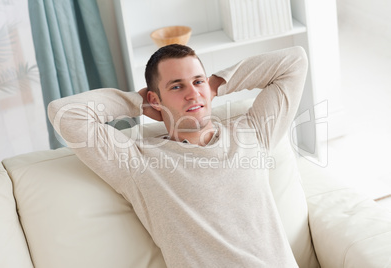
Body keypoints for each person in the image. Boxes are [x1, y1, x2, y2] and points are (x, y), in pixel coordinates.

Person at [48, 44, 308, 267]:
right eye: (176, 86)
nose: (193, 93)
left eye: (197, 81)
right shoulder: (138, 162)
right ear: (155, 98)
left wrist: (215, 84)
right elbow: (64, 113)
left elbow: (295, 61)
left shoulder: (254, 132)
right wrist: (138, 103)